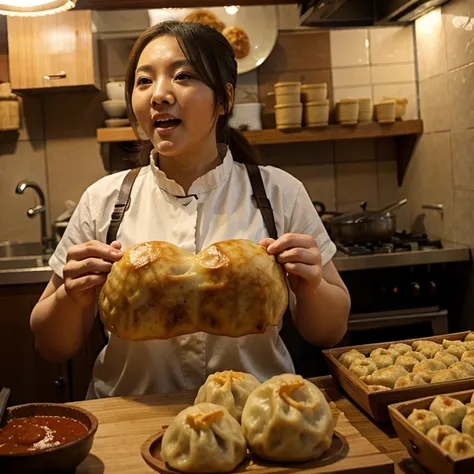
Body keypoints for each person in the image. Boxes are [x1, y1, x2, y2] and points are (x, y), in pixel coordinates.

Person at [30, 21, 351, 399]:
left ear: (224, 99)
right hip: (130, 417)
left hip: (255, 415)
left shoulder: (279, 192)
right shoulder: (104, 200)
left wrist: (310, 284)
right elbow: (51, 347)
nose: (159, 95)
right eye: (144, 81)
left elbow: (329, 331)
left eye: (183, 76)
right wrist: (72, 296)